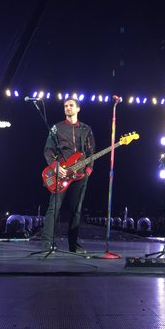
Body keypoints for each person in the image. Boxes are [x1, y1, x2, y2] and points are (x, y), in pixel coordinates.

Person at [41, 97, 95, 253]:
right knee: (53, 208)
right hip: (61, 173)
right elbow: (48, 150)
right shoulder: (56, 128)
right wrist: (55, 166)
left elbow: (91, 151)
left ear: (78, 109)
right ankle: (46, 243)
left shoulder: (86, 129)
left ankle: (73, 246)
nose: (68, 108)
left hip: (80, 175)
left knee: (76, 210)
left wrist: (88, 170)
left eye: (71, 105)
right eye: (65, 106)